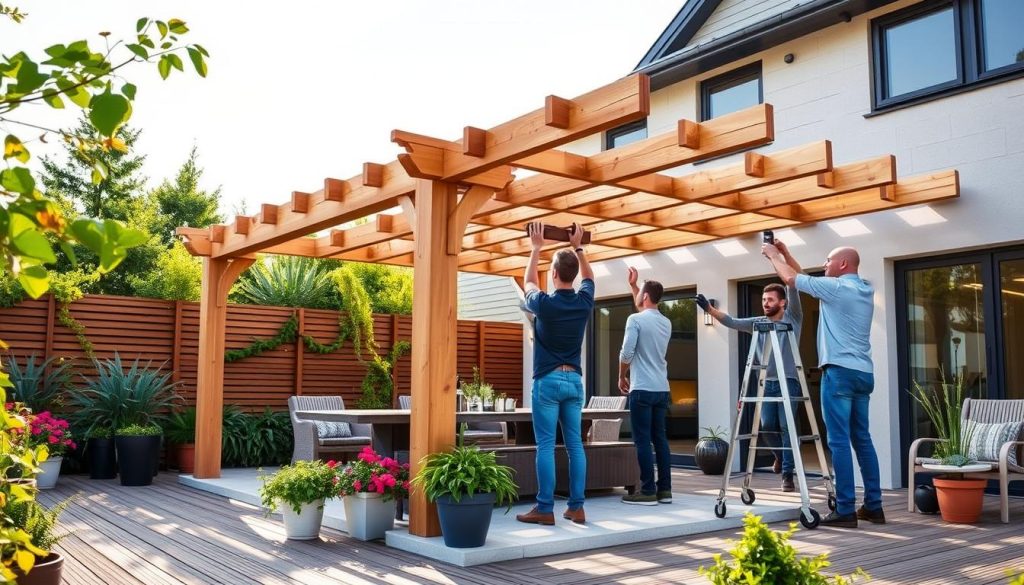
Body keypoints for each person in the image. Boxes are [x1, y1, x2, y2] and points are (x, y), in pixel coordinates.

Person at [762, 243, 884, 528]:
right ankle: (874, 506)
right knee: (862, 440)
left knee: (838, 441)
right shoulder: (862, 289)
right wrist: (786, 253)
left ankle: (844, 510)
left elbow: (792, 280)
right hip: (863, 374)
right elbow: (807, 281)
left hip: (839, 373)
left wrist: (773, 256)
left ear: (842, 264)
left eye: (828, 260)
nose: (824, 264)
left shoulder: (838, 289)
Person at [515, 221, 593, 526]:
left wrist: (536, 248)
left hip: (547, 381)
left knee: (546, 445)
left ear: (555, 275)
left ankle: (545, 508)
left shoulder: (544, 304)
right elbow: (588, 277)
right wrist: (579, 247)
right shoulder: (585, 302)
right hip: (574, 381)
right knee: (575, 445)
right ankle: (577, 507)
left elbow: (528, 281)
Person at [697, 271, 803, 493]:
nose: (765, 303)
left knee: (786, 427)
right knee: (767, 427)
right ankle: (781, 457)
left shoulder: (792, 319)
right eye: (764, 300)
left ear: (782, 302)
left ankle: (787, 475)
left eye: (770, 300)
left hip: (789, 382)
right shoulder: (758, 323)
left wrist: (782, 262)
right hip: (766, 384)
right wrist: (709, 309)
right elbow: (733, 322)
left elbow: (792, 288)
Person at [618, 268, 673, 505]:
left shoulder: (635, 320)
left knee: (642, 440)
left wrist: (621, 376)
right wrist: (634, 285)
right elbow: (645, 311)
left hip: (641, 388)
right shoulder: (666, 322)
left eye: (640, 292)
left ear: (646, 296)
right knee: (659, 439)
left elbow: (627, 352)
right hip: (662, 389)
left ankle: (647, 490)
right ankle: (665, 491)